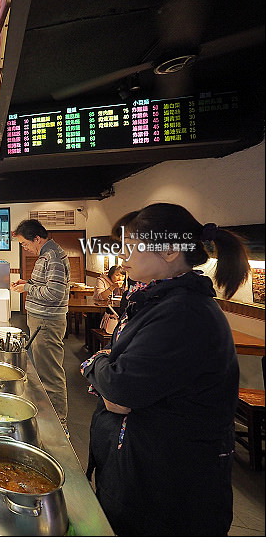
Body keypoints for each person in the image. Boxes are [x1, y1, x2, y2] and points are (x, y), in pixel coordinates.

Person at [80, 203, 248, 536]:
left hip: (170, 487)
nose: (123, 257)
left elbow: (121, 389)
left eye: (130, 247)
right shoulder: (160, 301)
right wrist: (108, 369)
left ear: (170, 250)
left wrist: (96, 361)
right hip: (144, 467)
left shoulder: (184, 312)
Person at [10, 219, 71, 430]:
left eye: (26, 244)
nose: (25, 248)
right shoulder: (47, 254)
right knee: (42, 370)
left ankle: (59, 426)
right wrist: (28, 284)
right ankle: (49, 419)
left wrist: (27, 287)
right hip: (41, 321)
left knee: (50, 374)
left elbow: (54, 293)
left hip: (47, 321)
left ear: (37, 238)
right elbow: (46, 285)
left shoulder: (52, 256)